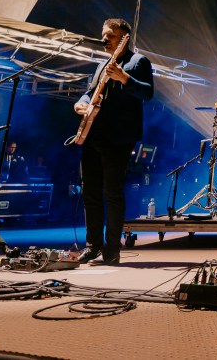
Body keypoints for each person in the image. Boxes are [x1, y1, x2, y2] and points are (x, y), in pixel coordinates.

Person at [73, 17, 154, 265]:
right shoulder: (101, 65)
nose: (105, 39)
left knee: (112, 193)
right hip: (93, 135)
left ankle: (112, 248)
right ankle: (92, 245)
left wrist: (124, 78)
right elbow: (90, 91)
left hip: (119, 138)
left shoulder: (138, 61)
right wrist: (82, 102)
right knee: (90, 193)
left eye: (111, 35)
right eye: (104, 34)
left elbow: (148, 92)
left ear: (124, 38)